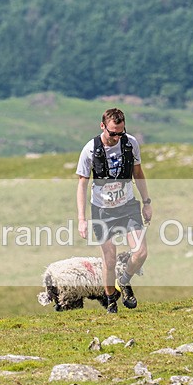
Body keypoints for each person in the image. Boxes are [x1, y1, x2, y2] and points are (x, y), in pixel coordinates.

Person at [76, 108, 152, 313]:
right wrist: (81, 219)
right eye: (112, 133)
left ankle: (124, 280)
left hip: (127, 206)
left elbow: (138, 172)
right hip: (102, 210)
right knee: (109, 260)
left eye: (120, 132)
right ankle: (111, 300)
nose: (116, 137)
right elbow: (82, 184)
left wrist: (147, 202)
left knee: (141, 252)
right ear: (103, 127)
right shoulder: (90, 149)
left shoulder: (130, 143)